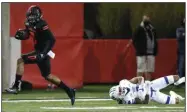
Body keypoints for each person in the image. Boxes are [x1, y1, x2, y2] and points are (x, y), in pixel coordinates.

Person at [5, 5, 75, 105]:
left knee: (21, 60)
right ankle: (69, 90)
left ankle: (16, 87)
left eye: (32, 16)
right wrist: (23, 35)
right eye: (30, 16)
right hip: (38, 51)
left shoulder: (43, 24)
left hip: (43, 52)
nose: (30, 18)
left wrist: (43, 53)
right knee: (48, 76)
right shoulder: (28, 23)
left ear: (38, 16)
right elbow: (29, 34)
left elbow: (51, 40)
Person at [109, 75, 185, 104]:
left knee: (176, 78)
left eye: (119, 89)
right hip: (154, 96)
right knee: (176, 101)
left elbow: (140, 78)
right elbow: (145, 102)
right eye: (119, 93)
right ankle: (174, 95)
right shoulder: (127, 100)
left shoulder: (124, 82)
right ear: (119, 97)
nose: (121, 90)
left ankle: (176, 83)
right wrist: (146, 93)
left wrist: (142, 87)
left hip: (152, 85)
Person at [132, 15, 158, 81]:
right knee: (140, 70)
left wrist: (155, 50)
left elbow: (155, 40)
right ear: (143, 18)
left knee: (149, 71)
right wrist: (139, 49)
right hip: (141, 53)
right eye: (146, 17)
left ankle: (147, 85)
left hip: (151, 53)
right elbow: (134, 39)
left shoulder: (152, 29)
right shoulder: (139, 28)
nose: (147, 18)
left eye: (148, 17)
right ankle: (139, 86)